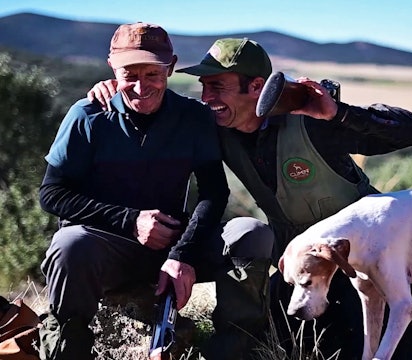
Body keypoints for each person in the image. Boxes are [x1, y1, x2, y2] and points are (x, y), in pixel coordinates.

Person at [89, 37, 412, 359]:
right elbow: (151, 104)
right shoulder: (215, 126)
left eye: (216, 87)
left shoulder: (313, 121)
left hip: (364, 261)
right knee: (276, 340)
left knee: (380, 347)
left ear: (257, 86)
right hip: (300, 266)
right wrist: (116, 90)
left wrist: (340, 114)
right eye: (203, 87)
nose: (206, 98)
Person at [38, 25, 273, 360]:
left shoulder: (194, 117)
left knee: (251, 233)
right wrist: (131, 221)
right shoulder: (87, 116)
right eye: (128, 74)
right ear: (111, 67)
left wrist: (182, 255)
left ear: (171, 67)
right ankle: (67, 348)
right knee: (68, 243)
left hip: (172, 246)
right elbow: (52, 194)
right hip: (105, 252)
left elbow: (213, 192)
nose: (140, 85)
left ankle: (235, 349)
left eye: (152, 73)